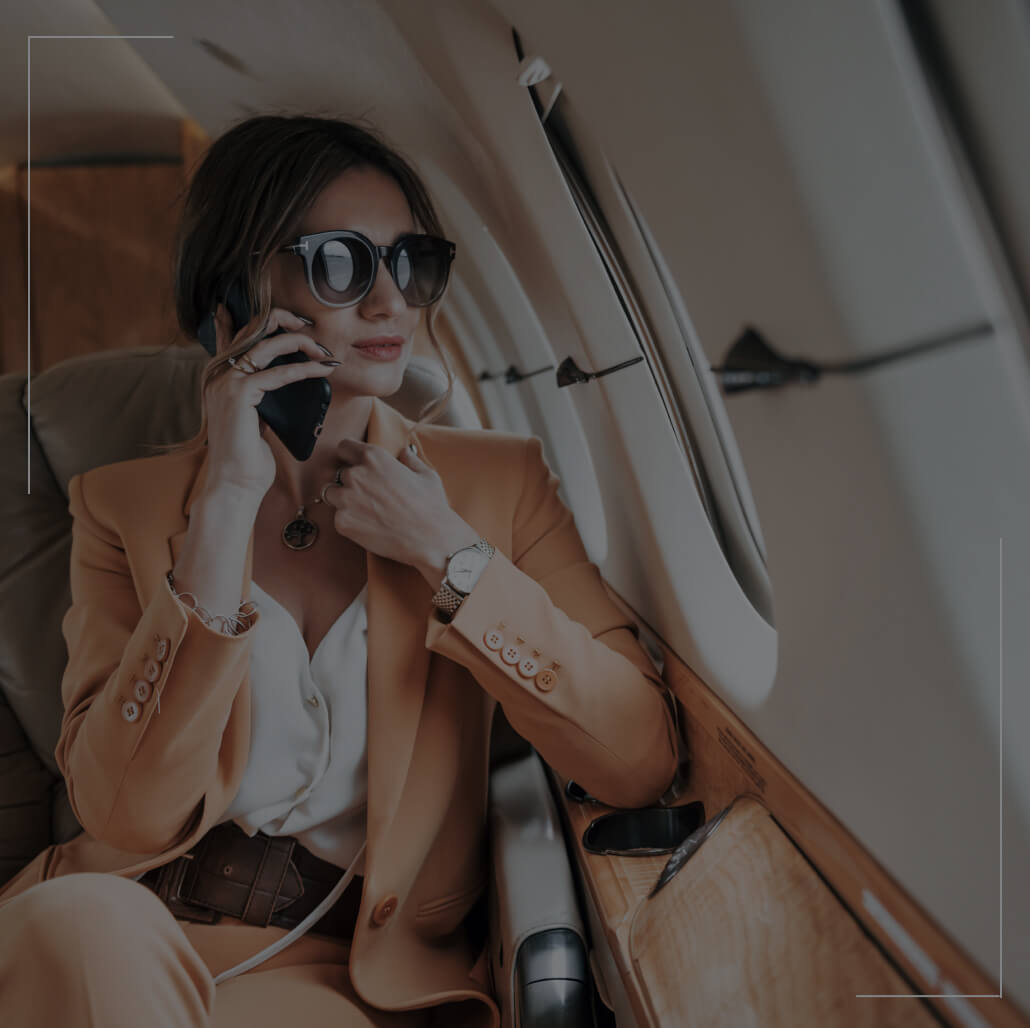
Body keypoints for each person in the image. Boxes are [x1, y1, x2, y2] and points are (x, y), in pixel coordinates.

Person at [0, 115, 679, 1027]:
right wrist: (226, 507)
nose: (391, 300)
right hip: (107, 935)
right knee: (77, 919)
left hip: (337, 976)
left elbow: (640, 757)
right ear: (239, 290)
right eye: (340, 263)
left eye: (411, 263)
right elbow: (124, 814)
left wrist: (450, 557)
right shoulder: (121, 506)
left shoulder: (496, 486)